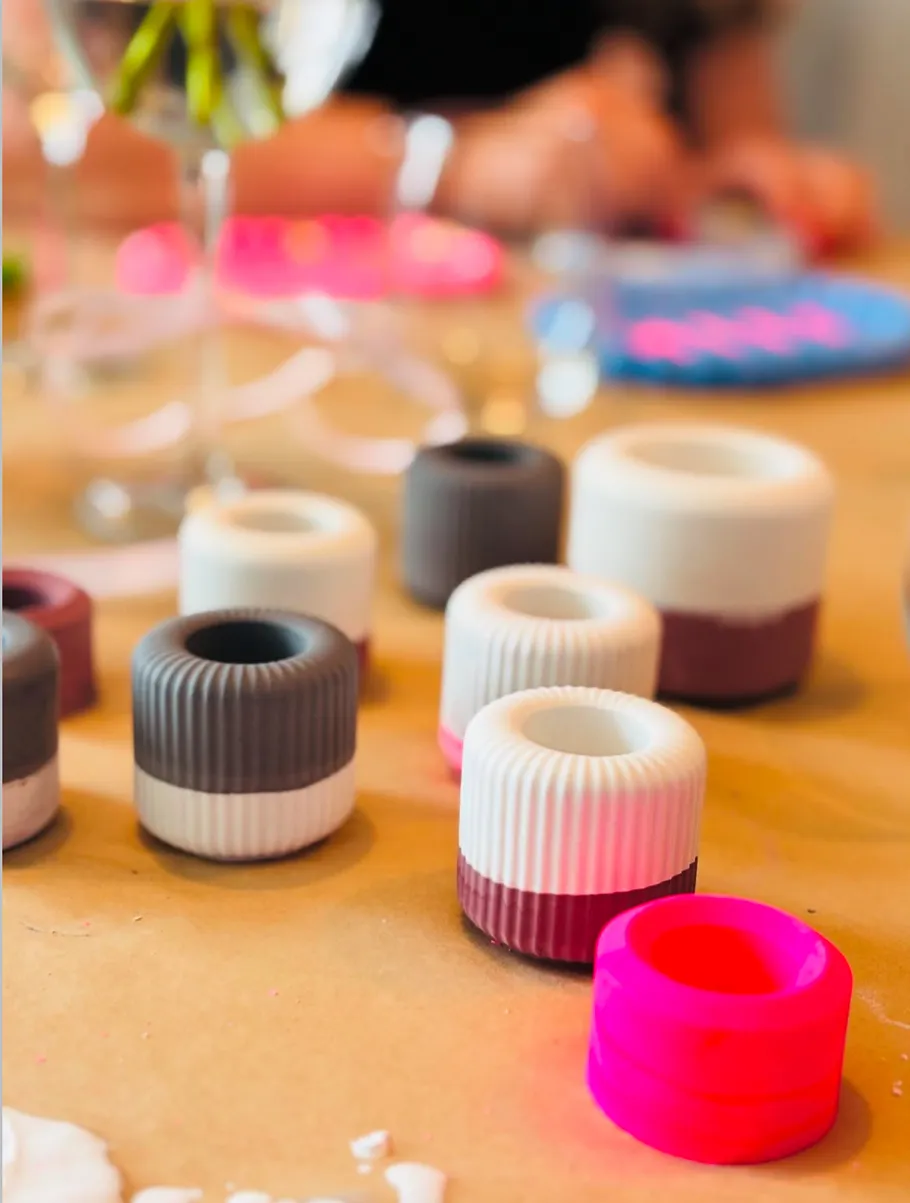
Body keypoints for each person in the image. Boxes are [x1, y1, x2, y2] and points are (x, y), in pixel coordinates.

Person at [2, 0, 875, 253]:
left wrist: (747, 187)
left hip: (562, 364)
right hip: (275, 361)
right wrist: (453, 165)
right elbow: (33, 135)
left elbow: (734, 135)